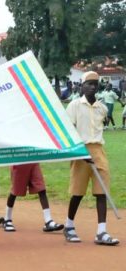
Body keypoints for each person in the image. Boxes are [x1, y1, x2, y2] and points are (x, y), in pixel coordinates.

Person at [64, 71, 119, 246]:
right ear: (82, 85)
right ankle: (69, 226)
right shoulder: (73, 105)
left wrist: (94, 153)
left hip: (98, 151)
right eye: (89, 83)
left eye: (95, 84)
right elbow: (69, 131)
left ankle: (101, 232)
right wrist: (80, 152)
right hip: (81, 151)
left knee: (101, 191)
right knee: (78, 192)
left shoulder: (102, 108)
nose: (93, 86)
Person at [2, 164, 64, 232]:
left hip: (33, 161)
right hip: (19, 161)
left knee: (41, 189)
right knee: (15, 191)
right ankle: (7, 219)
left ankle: (48, 221)